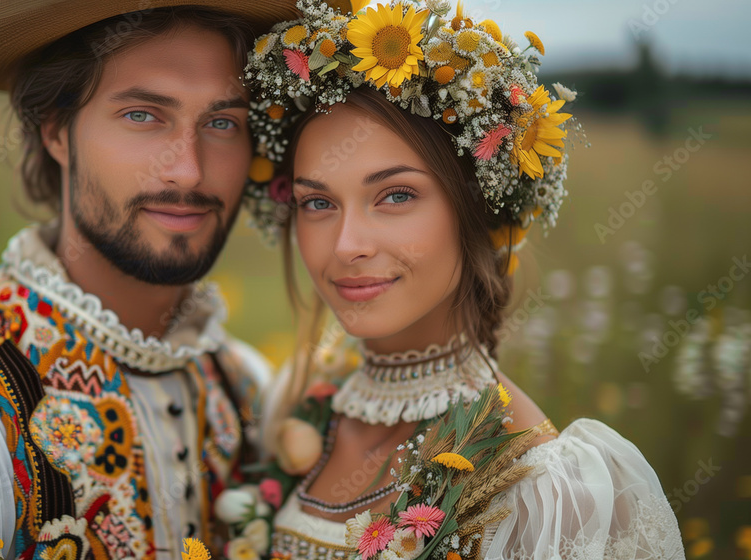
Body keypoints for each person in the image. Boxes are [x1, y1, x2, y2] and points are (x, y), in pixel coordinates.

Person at [0, 1, 300, 558]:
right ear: (57, 130)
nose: (188, 169)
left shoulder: (247, 387)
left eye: (221, 122)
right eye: (143, 114)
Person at [221, 1, 686, 558]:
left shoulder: (550, 492)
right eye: (317, 202)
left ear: (478, 208)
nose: (346, 246)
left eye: (395, 195)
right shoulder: (291, 411)